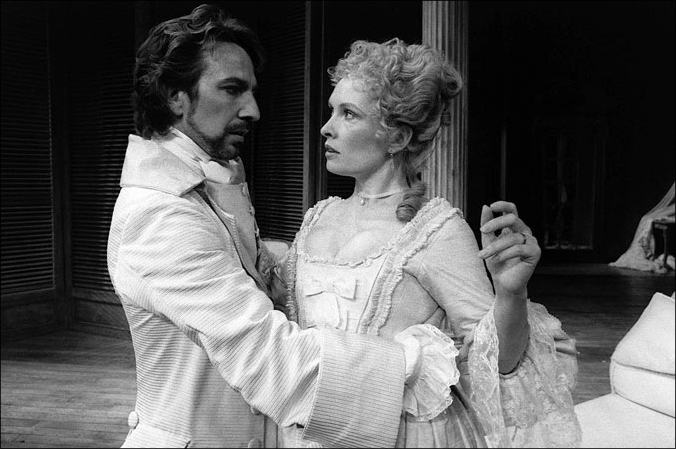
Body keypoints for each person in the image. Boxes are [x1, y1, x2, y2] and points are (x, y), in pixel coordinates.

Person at [107, 6, 451, 448]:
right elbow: (267, 356)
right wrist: (415, 360)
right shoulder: (161, 214)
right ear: (176, 96)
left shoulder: (208, 182)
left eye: (252, 91)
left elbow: (237, 272)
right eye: (232, 89)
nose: (253, 109)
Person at [276, 38, 582, 448]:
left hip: (404, 433)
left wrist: (511, 292)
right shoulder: (318, 216)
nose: (326, 127)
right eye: (332, 111)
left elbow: (500, 362)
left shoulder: (434, 229)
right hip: (316, 427)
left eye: (348, 114)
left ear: (398, 137)